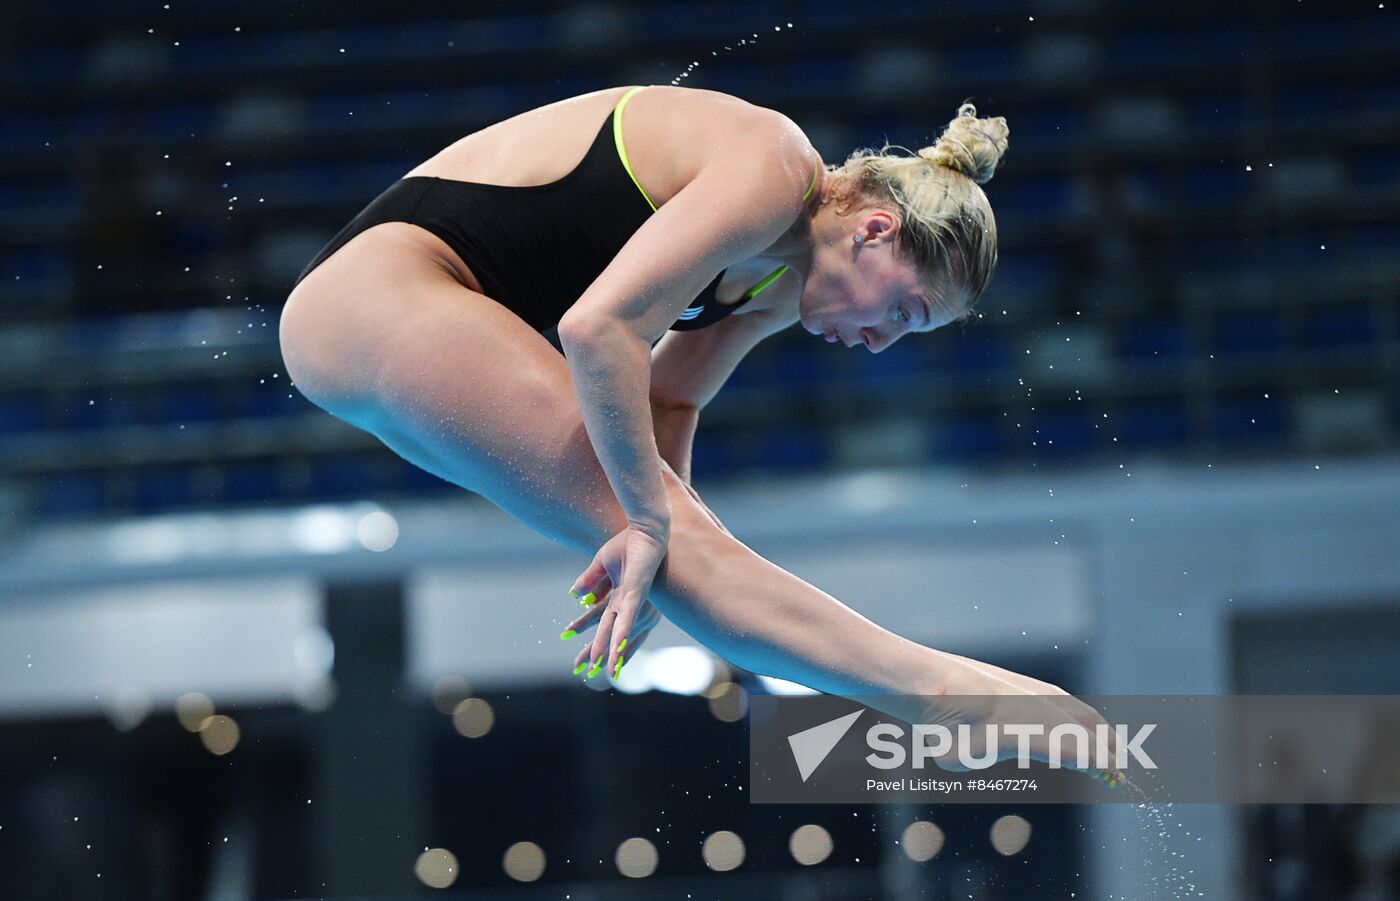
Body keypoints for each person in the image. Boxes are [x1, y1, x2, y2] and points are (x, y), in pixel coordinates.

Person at [279, 84, 1121, 780]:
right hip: (380, 292)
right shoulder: (774, 164)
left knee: (685, 543)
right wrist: (651, 522)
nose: (880, 343)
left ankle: (936, 694)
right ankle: (942, 696)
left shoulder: (779, 281)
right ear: (874, 231)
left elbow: (670, 397)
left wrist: (660, 549)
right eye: (902, 310)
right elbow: (598, 330)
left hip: (388, 320)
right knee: (679, 536)